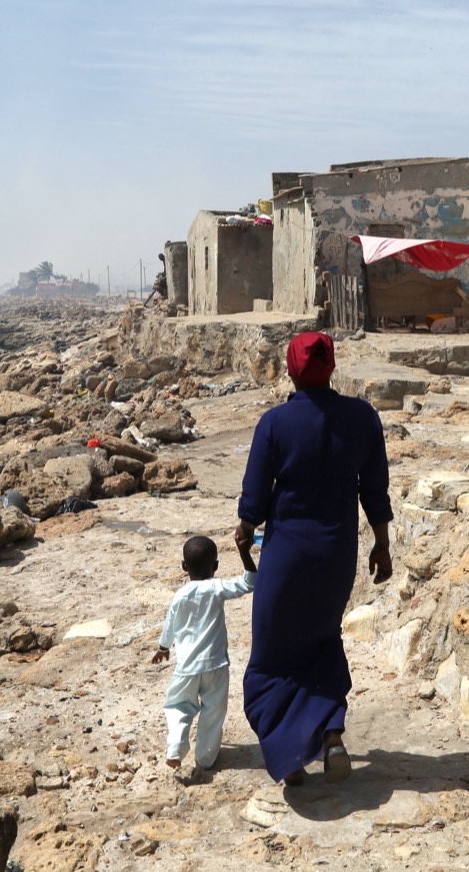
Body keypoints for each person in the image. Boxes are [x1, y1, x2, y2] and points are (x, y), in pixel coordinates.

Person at [235, 331, 392, 785]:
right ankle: (331, 737)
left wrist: (245, 530)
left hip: (286, 556)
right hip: (337, 555)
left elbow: (254, 501)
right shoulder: (363, 418)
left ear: (290, 368)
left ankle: (290, 756)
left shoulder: (275, 423)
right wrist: (382, 546)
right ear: (331, 367)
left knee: (271, 657)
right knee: (322, 641)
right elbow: (374, 491)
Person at [152, 535, 257, 776]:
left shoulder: (180, 595)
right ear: (216, 566)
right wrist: (244, 553)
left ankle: (176, 748)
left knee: (177, 705)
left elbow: (170, 624)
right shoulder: (217, 587)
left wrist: (163, 647)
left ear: (184, 566)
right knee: (213, 711)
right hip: (216, 664)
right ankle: (206, 758)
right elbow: (251, 582)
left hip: (187, 668)